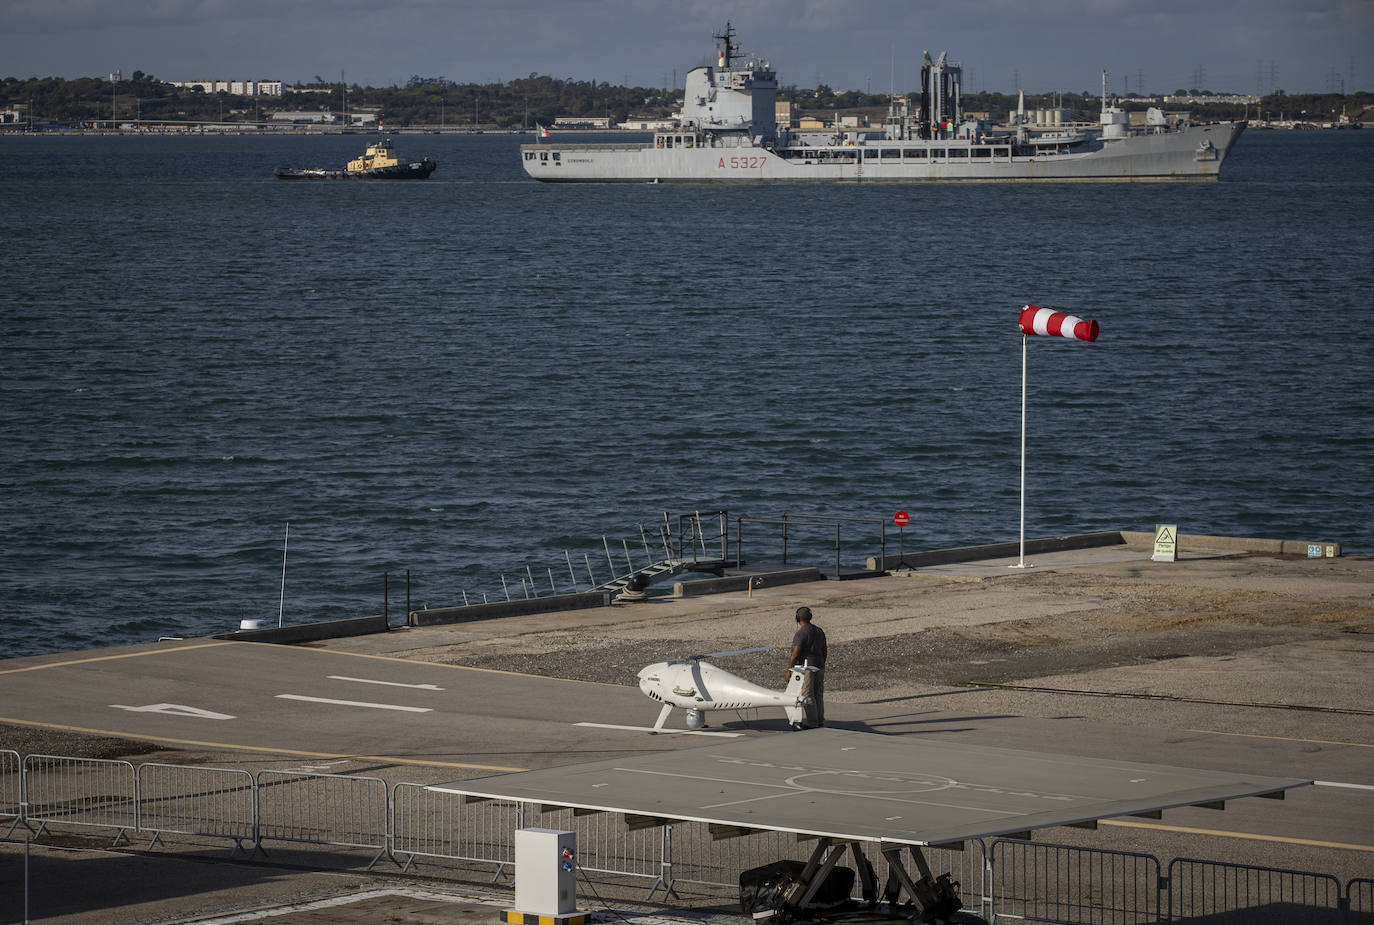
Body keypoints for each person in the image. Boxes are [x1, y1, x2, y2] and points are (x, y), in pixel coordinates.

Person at [785, 606, 827, 728]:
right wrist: (822, 663)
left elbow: (796, 653)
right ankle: (820, 720)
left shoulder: (801, 633)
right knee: (818, 693)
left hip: (807, 667)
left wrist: (789, 670)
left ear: (798, 618)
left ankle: (812, 722)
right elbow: (824, 649)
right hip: (819, 665)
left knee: (807, 694)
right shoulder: (819, 630)